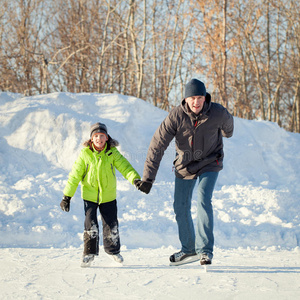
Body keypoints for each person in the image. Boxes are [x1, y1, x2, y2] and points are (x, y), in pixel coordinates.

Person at [135, 79, 234, 266]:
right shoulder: (176, 116)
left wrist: (225, 132)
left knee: (204, 198)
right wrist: (148, 178)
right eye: (192, 98)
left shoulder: (218, 112)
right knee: (180, 206)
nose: (196, 102)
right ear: (186, 99)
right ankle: (189, 250)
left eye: (199, 98)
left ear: (205, 98)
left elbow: (229, 129)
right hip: (185, 165)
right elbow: (157, 145)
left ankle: (205, 251)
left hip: (210, 162)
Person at [60, 122, 141, 267]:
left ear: (107, 138)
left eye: (102, 136)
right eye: (96, 136)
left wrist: (135, 179)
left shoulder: (112, 153)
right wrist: (67, 196)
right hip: (89, 196)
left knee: (111, 224)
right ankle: (89, 253)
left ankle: (113, 251)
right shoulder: (85, 154)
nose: (99, 139)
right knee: (90, 224)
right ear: (91, 139)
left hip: (108, 196)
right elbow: (74, 175)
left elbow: (125, 167)